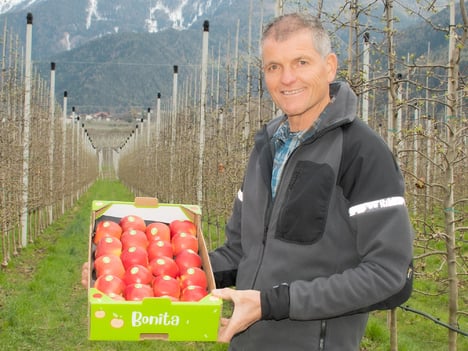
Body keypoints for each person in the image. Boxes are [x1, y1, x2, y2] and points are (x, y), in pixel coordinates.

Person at [82, 12, 413, 350]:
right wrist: (138, 270)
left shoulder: (361, 152)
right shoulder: (267, 148)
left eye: (301, 62)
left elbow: (390, 275)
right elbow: (242, 253)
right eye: (273, 67)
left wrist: (271, 304)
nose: (287, 78)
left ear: (329, 66)